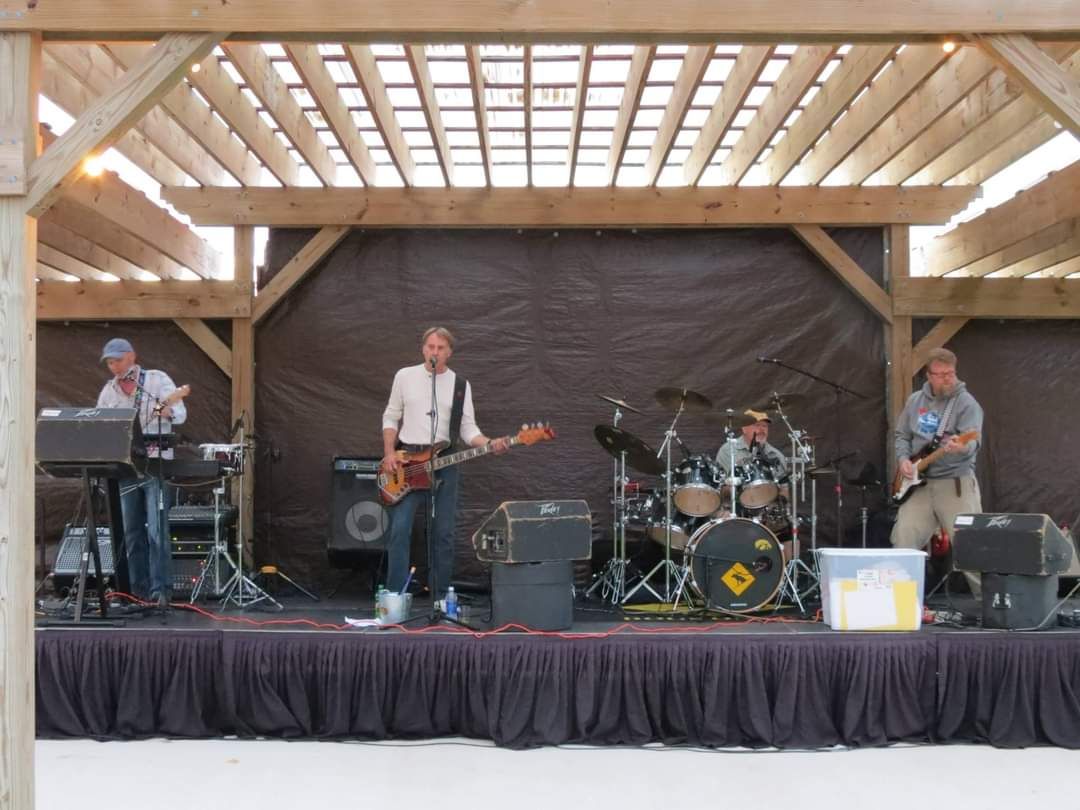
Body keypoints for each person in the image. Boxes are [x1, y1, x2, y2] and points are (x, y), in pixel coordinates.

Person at [381, 327, 508, 597]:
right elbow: (391, 416)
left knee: (444, 533)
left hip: (445, 463)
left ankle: (439, 598)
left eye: (440, 348)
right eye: (430, 347)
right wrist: (389, 452)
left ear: (449, 352)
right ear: (423, 349)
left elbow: (468, 429)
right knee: (400, 530)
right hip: (407, 462)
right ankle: (394, 597)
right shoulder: (405, 376)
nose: (434, 352)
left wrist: (488, 443)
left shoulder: (460, 385)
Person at [95, 338, 187, 608]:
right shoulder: (108, 391)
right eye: (110, 362)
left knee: (157, 530)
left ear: (132, 357)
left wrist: (168, 409)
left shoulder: (156, 382)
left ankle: (162, 591)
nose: (114, 366)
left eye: (118, 360)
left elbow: (179, 414)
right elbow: (100, 424)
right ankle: (137, 592)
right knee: (131, 531)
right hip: (125, 468)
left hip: (154, 466)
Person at [891, 347, 983, 594]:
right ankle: (902, 600)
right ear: (928, 375)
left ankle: (992, 607)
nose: (947, 379)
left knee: (970, 547)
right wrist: (903, 460)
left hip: (954, 483)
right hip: (918, 484)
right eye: (941, 374)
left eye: (950, 373)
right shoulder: (915, 401)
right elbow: (902, 435)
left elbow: (973, 442)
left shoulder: (966, 403)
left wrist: (959, 448)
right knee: (903, 539)